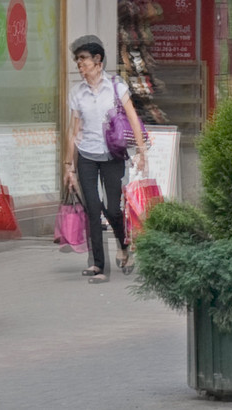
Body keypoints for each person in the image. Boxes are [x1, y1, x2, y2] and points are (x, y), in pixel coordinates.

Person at [63, 35, 147, 284]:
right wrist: (69, 166)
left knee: (112, 208)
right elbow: (73, 130)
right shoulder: (77, 93)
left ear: (97, 60)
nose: (80, 65)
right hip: (87, 155)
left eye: (83, 59)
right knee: (92, 208)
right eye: (77, 60)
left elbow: (132, 118)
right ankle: (98, 264)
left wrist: (141, 151)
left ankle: (124, 245)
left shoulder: (116, 86)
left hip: (112, 155)